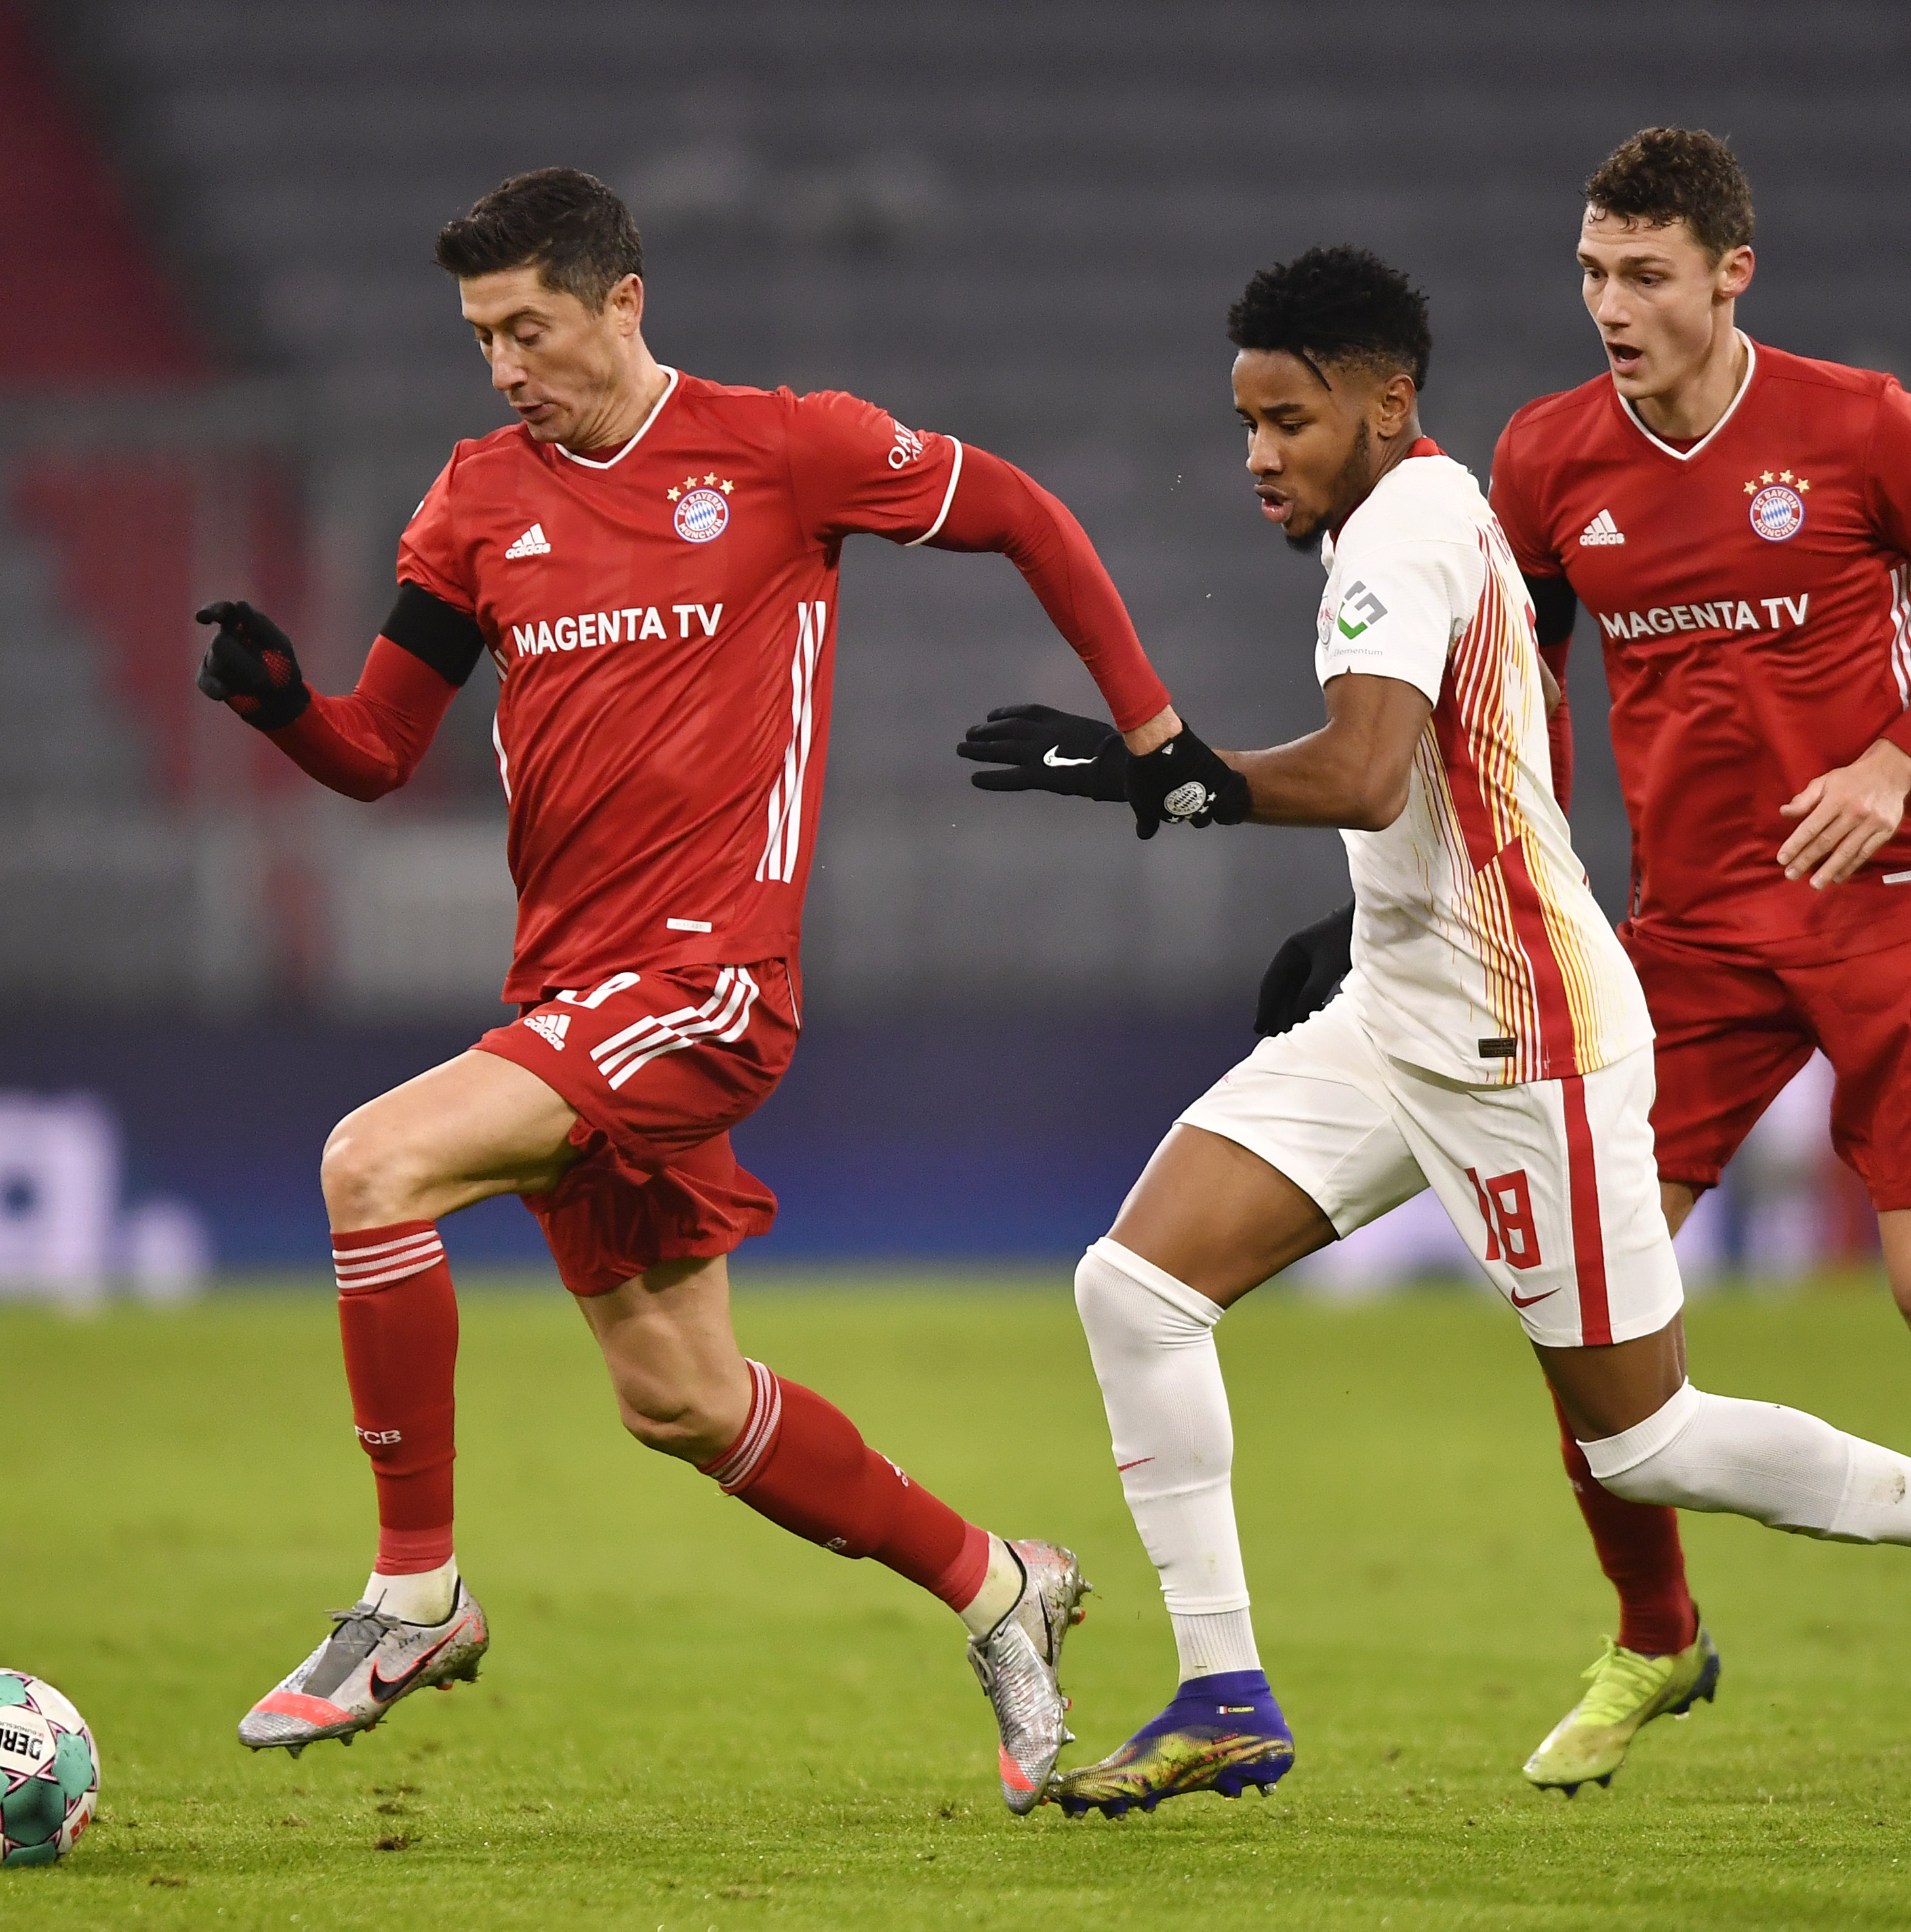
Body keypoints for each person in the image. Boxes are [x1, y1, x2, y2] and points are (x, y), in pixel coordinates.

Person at [957, 245, 1911, 1821]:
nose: (1256, 457)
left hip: (1522, 1040)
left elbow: (1365, 770)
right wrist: (1363, 912)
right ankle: (1225, 1690)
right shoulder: (1404, 518)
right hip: (1402, 1003)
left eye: (1286, 420)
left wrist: (1151, 769)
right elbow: (1449, 768)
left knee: (1639, 1447)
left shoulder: (1411, 528)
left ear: (1385, 403)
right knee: (1136, 1287)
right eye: (1242, 424)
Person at [193, 167, 1239, 1811]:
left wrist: (1155, 730)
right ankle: (998, 1586)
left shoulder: (784, 448)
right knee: (680, 1401)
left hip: (708, 982)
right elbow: (380, 750)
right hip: (567, 995)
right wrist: (279, 710)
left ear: (621, 298)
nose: (503, 366)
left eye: (526, 327)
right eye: (479, 338)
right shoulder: (472, 504)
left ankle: (413, 1596)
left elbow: (1025, 513)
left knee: (367, 1164)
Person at [1466, 127, 1911, 1798]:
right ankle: (1654, 1635)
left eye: (1645, 275)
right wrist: (1547, 871)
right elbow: (1519, 671)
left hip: (1891, 904)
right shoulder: (1545, 460)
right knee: (1584, 1309)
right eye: (1591, 272)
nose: (1610, 305)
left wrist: (1891, 762)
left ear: (1731, 277)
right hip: (1689, 939)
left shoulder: (1859, 425)